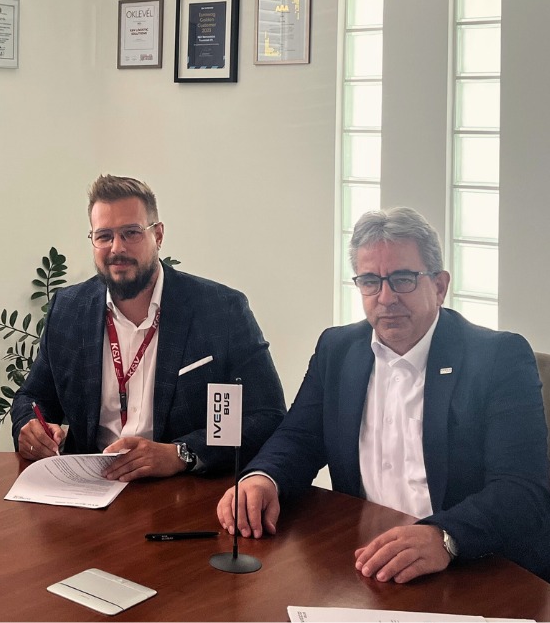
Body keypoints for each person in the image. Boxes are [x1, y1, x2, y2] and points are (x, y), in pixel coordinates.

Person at [218, 207, 550, 583]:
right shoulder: (338, 348)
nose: (386, 297)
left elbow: (522, 490)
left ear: (439, 286)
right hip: (367, 560)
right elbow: (299, 437)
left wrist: (444, 536)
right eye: (370, 281)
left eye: (403, 279)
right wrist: (263, 478)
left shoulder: (498, 358)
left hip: (477, 565)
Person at [11, 174, 286, 480]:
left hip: (182, 489)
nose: (117, 248)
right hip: (91, 487)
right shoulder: (68, 310)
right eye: (104, 236)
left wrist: (180, 454)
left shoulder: (222, 311)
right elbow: (32, 397)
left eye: (131, 233)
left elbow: (267, 416)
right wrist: (29, 426)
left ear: (158, 235)